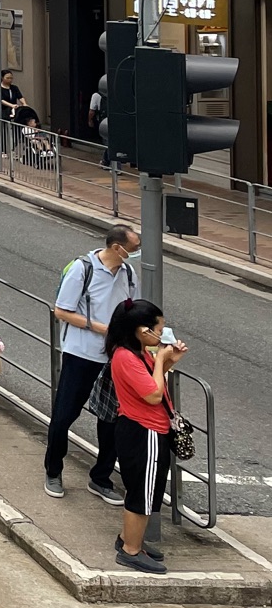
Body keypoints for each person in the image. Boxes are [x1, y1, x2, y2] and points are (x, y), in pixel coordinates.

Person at [45, 225, 140, 502]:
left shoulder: (128, 273)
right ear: (116, 248)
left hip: (115, 357)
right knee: (64, 416)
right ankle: (53, 471)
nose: (135, 253)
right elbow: (61, 311)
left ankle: (101, 478)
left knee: (111, 419)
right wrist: (101, 328)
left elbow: (131, 309)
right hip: (81, 354)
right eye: (133, 248)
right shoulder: (82, 268)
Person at [106, 298, 187, 574]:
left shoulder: (134, 353)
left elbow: (148, 383)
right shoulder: (127, 357)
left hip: (145, 429)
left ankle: (131, 540)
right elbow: (153, 395)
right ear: (143, 331)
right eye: (158, 329)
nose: (162, 335)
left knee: (145, 490)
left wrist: (165, 363)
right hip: (144, 431)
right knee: (142, 493)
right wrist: (162, 359)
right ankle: (130, 550)